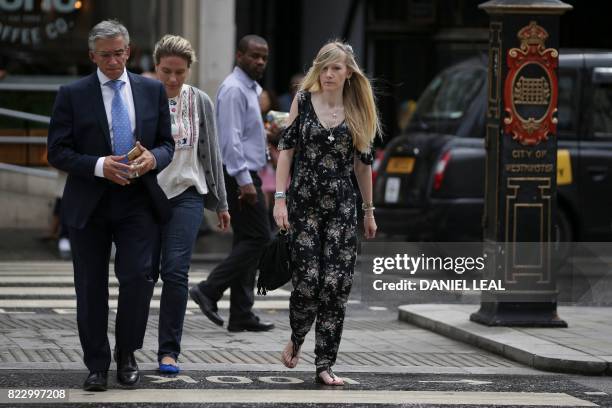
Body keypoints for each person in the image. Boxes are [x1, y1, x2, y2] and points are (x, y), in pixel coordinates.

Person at [47, 20, 174, 391]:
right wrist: (100, 166)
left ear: (128, 51)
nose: (114, 60)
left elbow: (167, 144)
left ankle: (127, 354)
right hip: (90, 202)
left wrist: (154, 158)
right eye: (106, 55)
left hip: (138, 200)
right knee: (90, 287)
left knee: (138, 278)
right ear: (92, 56)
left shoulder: (151, 90)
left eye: (119, 53)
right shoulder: (72, 94)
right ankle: (97, 365)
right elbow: (57, 151)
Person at [273, 41, 380, 385]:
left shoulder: (358, 109)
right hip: (304, 205)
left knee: (336, 285)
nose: (329, 74)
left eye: (336, 68)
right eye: (324, 67)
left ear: (349, 72)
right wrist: (279, 199)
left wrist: (368, 211)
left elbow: (363, 167)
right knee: (307, 284)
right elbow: (286, 150)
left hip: (343, 210)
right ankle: (298, 335)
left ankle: (324, 363)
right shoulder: (303, 102)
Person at [153, 34, 230, 374]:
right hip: (146, 196)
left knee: (175, 271)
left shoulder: (199, 101)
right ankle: (127, 348)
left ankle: (168, 352)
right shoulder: (141, 97)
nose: (172, 79)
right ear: (155, 67)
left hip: (187, 193)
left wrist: (222, 203)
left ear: (189, 71)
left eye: (180, 72)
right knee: (141, 273)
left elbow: (211, 153)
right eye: (166, 71)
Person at [189, 35, 274, 332]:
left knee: (246, 241)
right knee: (260, 239)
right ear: (239, 55)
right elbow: (229, 140)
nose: (260, 61)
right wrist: (243, 181)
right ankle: (209, 289)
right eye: (254, 56)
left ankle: (241, 313)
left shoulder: (251, 89)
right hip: (240, 175)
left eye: (264, 57)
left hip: (248, 174)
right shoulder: (234, 90)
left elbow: (246, 134)